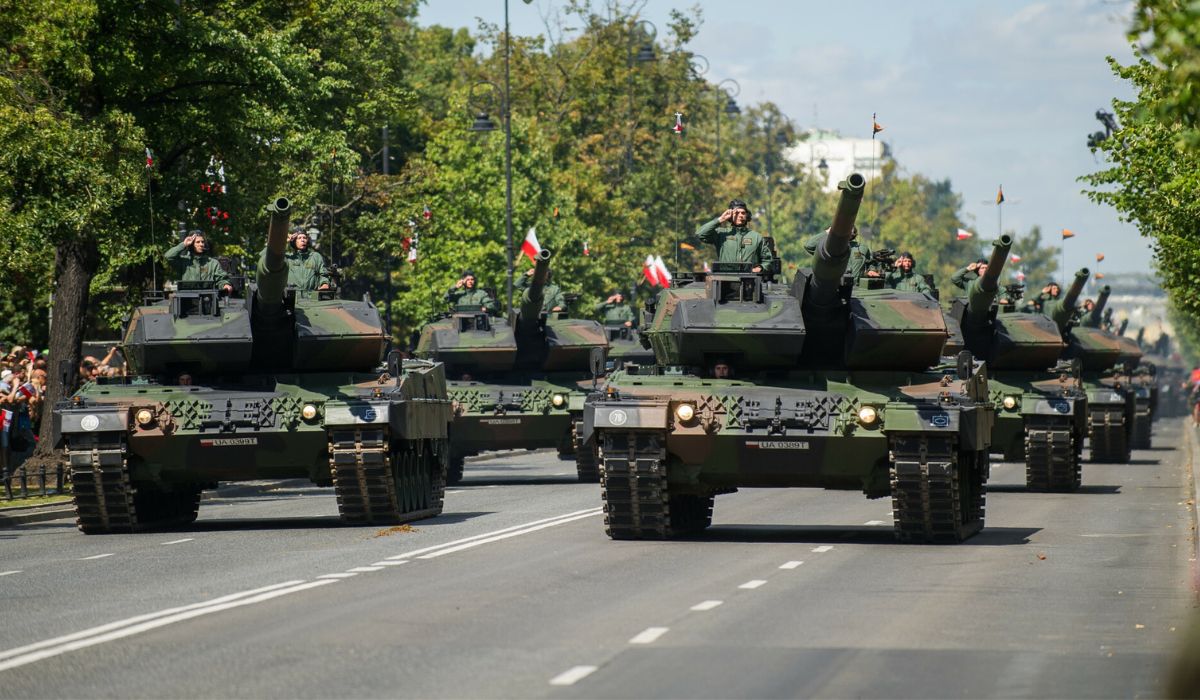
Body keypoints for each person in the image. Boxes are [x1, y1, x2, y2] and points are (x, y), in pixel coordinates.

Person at [694, 199, 775, 273]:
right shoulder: (721, 234)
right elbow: (701, 234)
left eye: (743, 213)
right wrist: (720, 219)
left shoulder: (756, 237)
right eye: (736, 213)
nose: (740, 215)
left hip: (750, 281)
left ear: (747, 215)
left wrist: (759, 268)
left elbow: (767, 261)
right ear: (730, 215)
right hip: (725, 279)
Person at [165, 231, 233, 294]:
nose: (201, 244)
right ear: (191, 244)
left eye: (202, 242)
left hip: (208, 299)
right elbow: (168, 256)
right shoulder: (184, 261)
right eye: (198, 242)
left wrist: (225, 285)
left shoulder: (212, 263)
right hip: (186, 299)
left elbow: (221, 279)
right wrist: (184, 244)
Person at [803, 226, 878, 278]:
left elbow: (870, 261)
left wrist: (871, 270)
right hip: (837, 289)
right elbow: (809, 246)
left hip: (859, 291)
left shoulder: (861, 248)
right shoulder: (831, 248)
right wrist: (828, 232)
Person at [285, 228, 330, 292]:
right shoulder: (288, 257)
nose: (302, 240)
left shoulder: (315, 256)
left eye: (304, 238)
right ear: (294, 241)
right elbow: (270, 257)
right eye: (299, 238)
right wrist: (283, 241)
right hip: (291, 298)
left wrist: (324, 284)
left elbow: (323, 274)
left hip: (311, 297)